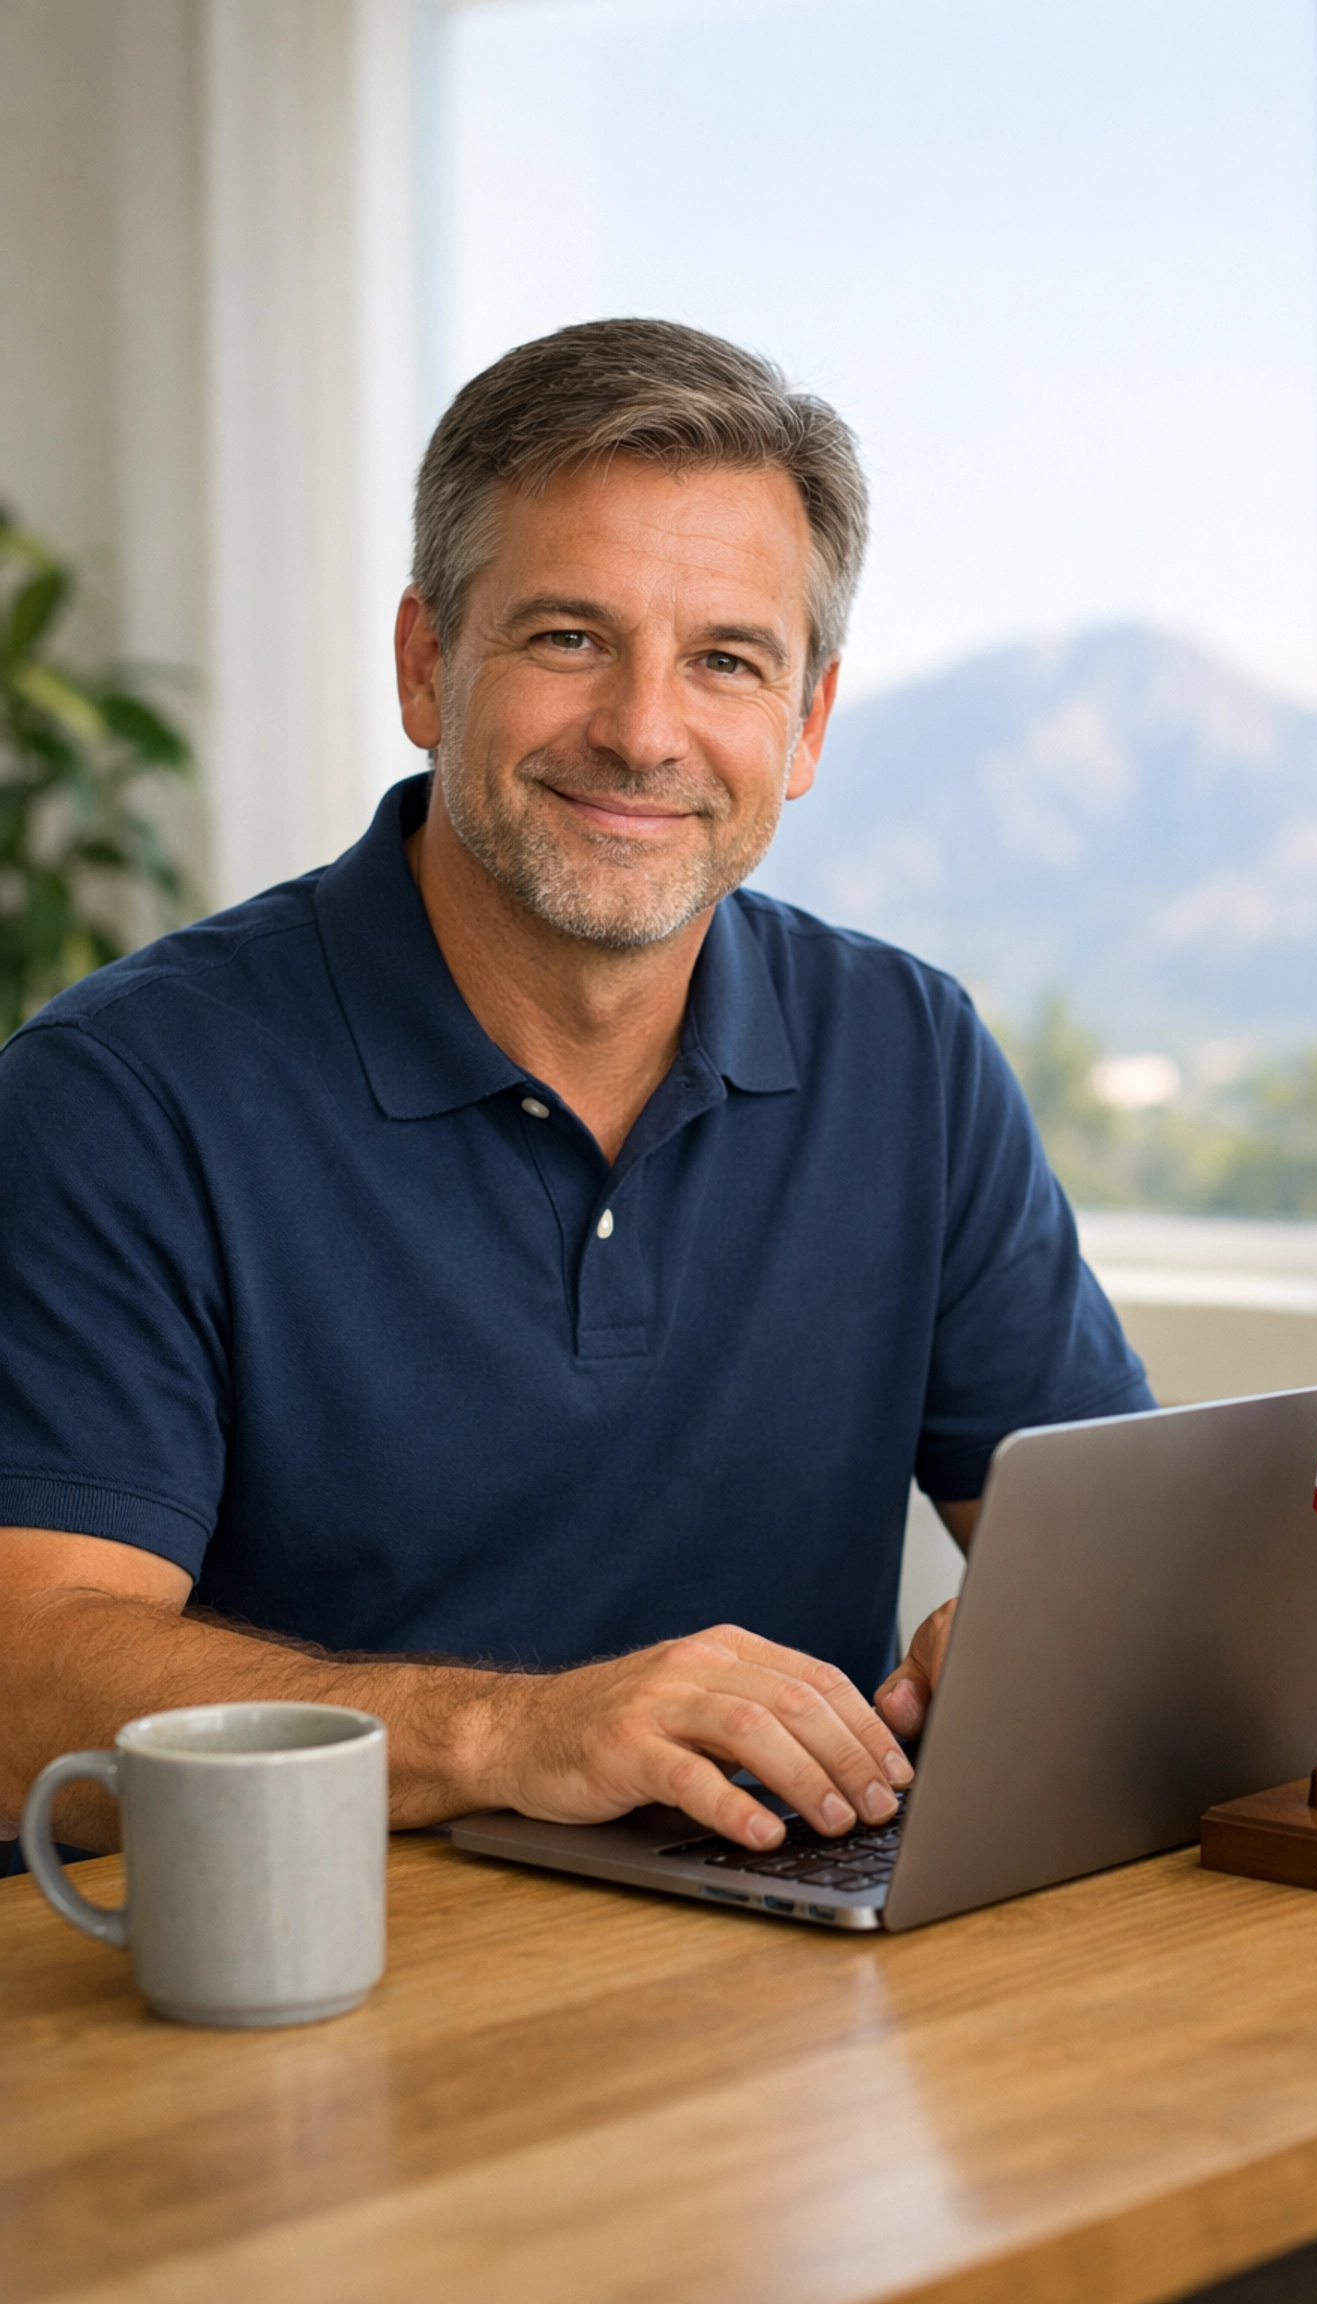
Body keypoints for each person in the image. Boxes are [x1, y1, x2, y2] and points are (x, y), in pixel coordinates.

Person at [0, 320, 1151, 1861]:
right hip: (288, 2000)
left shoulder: (911, 1055)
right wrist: (512, 1732)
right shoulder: (121, 1098)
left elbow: (1102, 1562)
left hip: (780, 2000)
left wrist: (1037, 1646)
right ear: (426, 663)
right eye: (566, 638)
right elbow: (21, 1676)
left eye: (728, 661)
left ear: (804, 726)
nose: (644, 730)